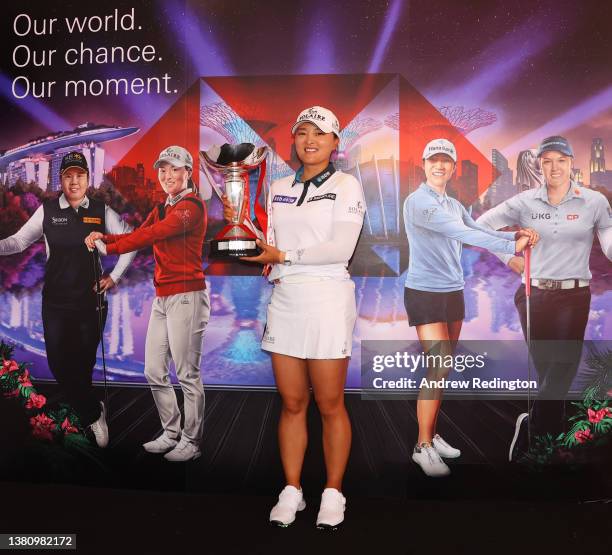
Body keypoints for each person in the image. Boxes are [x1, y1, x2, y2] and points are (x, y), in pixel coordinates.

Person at [223, 106, 364, 530]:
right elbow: (271, 242)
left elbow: (340, 248)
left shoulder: (346, 185)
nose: (310, 140)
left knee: (329, 403)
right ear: (295, 140)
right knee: (291, 402)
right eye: (302, 132)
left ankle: (333, 491)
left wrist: (282, 255)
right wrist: (256, 251)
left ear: (335, 142)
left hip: (327, 298)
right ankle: (292, 489)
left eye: (320, 134)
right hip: (285, 299)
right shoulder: (279, 186)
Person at [403, 138, 535, 477]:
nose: (440, 166)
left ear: (453, 166)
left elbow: (474, 228)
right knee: (438, 366)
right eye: (434, 159)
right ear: (424, 163)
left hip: (453, 292)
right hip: (425, 292)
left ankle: (431, 434)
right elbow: (464, 234)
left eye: (446, 160)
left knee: (443, 368)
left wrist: (512, 243)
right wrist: (514, 243)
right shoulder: (418, 202)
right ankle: (422, 446)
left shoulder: (453, 203)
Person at [476, 135, 612, 461]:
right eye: (547, 160)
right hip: (533, 295)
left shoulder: (593, 201)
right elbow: (480, 226)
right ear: (539, 165)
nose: (554, 167)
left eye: (561, 160)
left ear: (570, 164)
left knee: (561, 369)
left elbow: (607, 239)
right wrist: (508, 255)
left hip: (573, 296)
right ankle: (552, 442)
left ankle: (536, 438)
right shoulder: (523, 202)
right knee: (550, 372)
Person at [0, 151, 136, 447]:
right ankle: (93, 413)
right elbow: (19, 241)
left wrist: (115, 277)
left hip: (91, 303)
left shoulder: (101, 210)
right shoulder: (48, 210)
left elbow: (130, 241)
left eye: (80, 175)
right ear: (61, 179)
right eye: (68, 175)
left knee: (82, 367)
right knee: (61, 366)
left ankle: (82, 422)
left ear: (88, 178)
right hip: (56, 304)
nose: (74, 181)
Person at [85, 145, 210, 462]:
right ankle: (171, 433)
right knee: (154, 370)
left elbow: (151, 235)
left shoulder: (191, 207)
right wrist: (105, 236)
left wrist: (109, 249)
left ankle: (192, 442)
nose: (167, 175)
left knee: (187, 375)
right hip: (163, 295)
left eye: (174, 169)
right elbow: (139, 232)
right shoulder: (164, 206)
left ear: (187, 173)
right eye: (163, 170)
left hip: (187, 295)